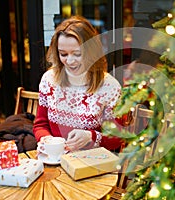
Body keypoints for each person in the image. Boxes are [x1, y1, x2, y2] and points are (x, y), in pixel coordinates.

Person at [33, 16, 124, 152]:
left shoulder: (109, 86)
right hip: (57, 159)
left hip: (93, 163)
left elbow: (117, 139)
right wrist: (47, 140)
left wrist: (91, 136)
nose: (70, 61)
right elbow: (40, 125)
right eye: (63, 54)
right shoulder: (49, 79)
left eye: (77, 54)